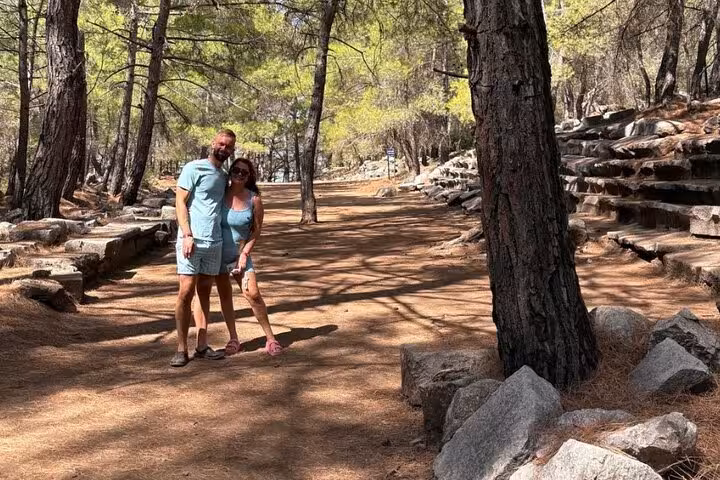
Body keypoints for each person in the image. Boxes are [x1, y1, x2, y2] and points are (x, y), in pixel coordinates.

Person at [194, 157, 283, 357]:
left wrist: (244, 254)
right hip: (216, 253)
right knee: (225, 296)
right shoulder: (220, 194)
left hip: (238, 255)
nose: (239, 174)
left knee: (253, 294)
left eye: (244, 172)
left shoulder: (254, 199)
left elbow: (256, 231)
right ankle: (234, 338)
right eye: (236, 170)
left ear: (249, 176)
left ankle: (270, 338)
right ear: (230, 172)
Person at [170, 129, 236, 367]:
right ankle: (180, 348)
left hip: (214, 243)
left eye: (229, 147)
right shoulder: (193, 168)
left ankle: (201, 344)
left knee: (204, 294)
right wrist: (187, 234)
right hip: (192, 241)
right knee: (185, 292)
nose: (224, 149)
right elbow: (180, 201)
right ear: (213, 143)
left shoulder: (224, 175)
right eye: (221, 144)